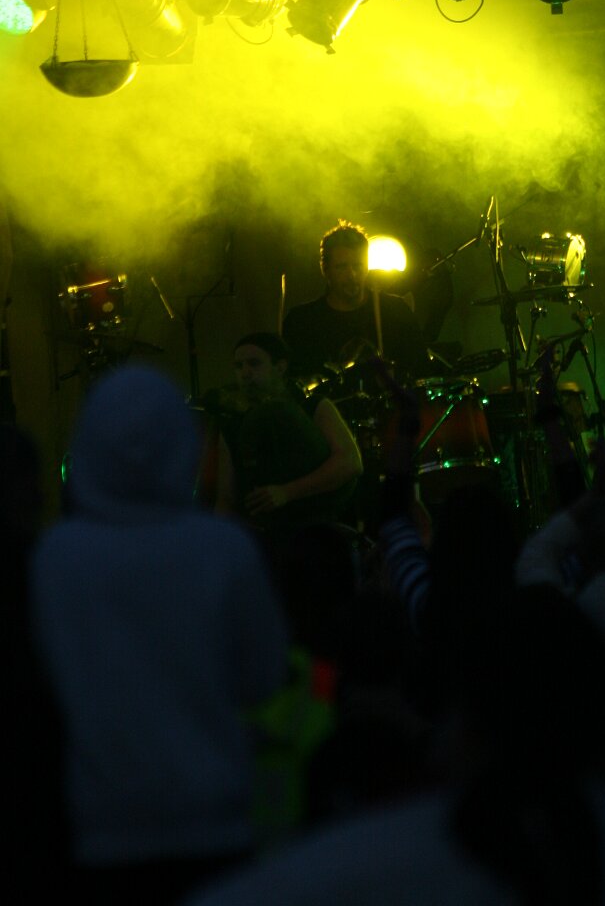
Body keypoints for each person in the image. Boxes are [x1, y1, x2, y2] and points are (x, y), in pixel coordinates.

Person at [30, 364, 288, 906]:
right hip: (215, 818)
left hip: (101, 825)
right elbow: (265, 678)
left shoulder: (57, 556)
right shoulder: (224, 548)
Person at [213, 331, 363, 542]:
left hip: (318, 530)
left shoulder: (313, 407)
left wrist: (287, 492)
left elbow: (350, 462)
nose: (245, 373)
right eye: (238, 366)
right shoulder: (231, 426)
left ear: (280, 367)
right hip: (265, 537)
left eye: (254, 363)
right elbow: (226, 499)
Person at [281, 221, 429, 387]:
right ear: (325, 269)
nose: (352, 275)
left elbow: (422, 371)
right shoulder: (302, 322)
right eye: (341, 267)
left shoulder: (395, 311)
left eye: (358, 266)